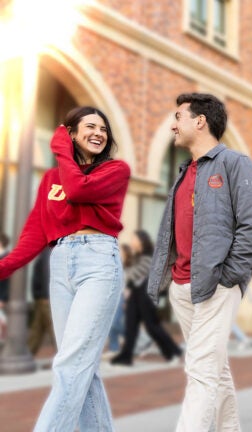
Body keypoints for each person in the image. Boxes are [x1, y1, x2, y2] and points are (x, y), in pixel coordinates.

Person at [0, 106, 130, 431]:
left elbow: (78, 189)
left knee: (70, 364)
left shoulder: (115, 170)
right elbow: (34, 234)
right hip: (60, 264)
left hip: (98, 262)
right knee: (82, 367)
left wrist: (60, 148)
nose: (99, 132)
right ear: (72, 132)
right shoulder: (50, 180)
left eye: (103, 128)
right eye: (90, 126)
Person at [147, 92, 252, 431]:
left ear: (200, 121)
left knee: (200, 369)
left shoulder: (234, 163)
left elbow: (251, 226)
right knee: (214, 367)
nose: (173, 124)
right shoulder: (185, 172)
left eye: (179, 116)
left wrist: (228, 278)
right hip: (183, 286)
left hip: (215, 285)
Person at [110, 230, 182, 366]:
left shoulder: (149, 256)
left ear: (141, 241)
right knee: (130, 325)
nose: (131, 242)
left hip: (146, 294)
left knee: (151, 326)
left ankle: (173, 352)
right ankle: (126, 356)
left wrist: (122, 274)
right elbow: (131, 278)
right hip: (135, 294)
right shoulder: (137, 256)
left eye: (134, 239)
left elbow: (135, 273)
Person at [105, 244, 131, 357]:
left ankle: (135, 336)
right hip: (110, 296)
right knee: (110, 323)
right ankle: (114, 348)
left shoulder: (129, 268)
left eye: (121, 252)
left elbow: (131, 286)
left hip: (121, 297)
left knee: (113, 323)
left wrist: (127, 300)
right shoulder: (112, 265)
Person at [27, 246, 54, 355]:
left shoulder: (44, 254)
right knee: (55, 330)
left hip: (41, 298)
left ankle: (29, 353)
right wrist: (48, 295)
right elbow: (45, 276)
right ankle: (66, 361)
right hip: (46, 299)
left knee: (37, 330)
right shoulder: (49, 254)